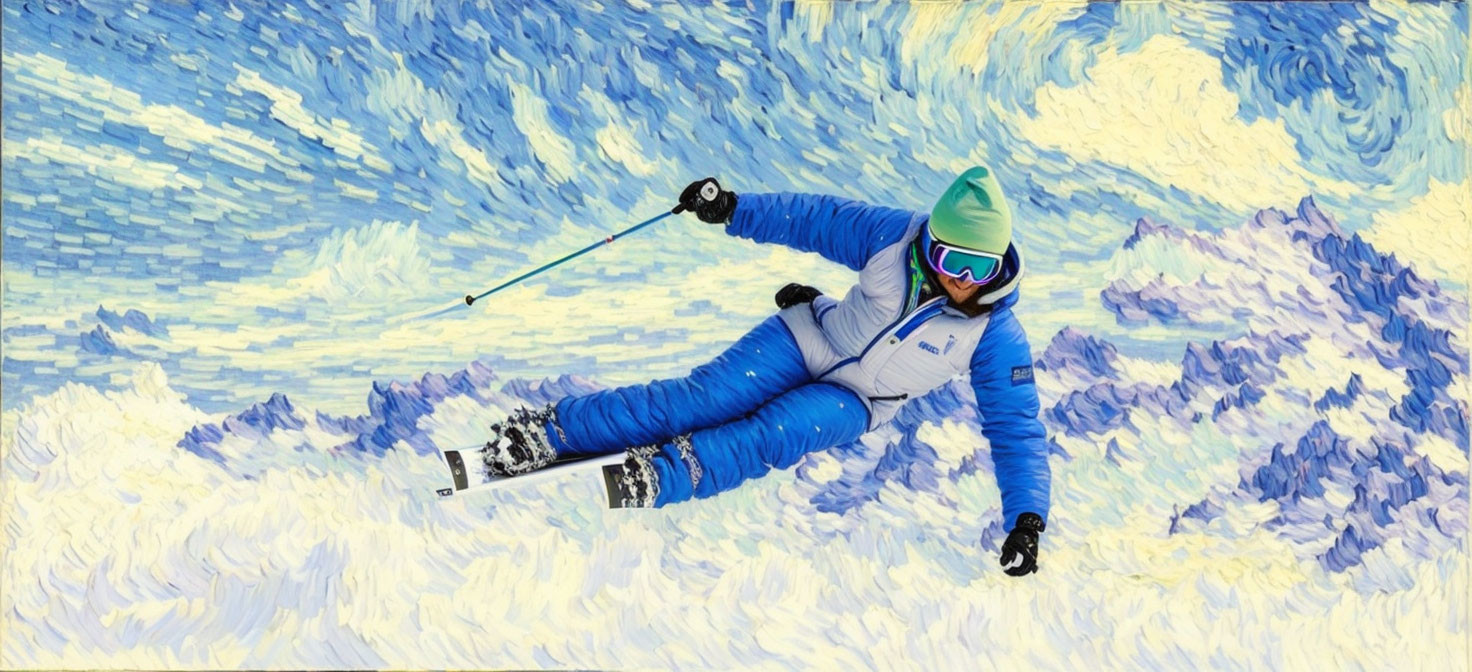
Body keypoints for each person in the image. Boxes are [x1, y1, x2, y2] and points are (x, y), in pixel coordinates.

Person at [482, 166, 1051, 577]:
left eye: (983, 266)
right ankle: (549, 431)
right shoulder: (893, 237)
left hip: (857, 400)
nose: (967, 280)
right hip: (810, 336)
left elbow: (1016, 426)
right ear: (932, 243)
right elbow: (814, 219)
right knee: (696, 400)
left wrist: (1027, 519)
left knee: (773, 434)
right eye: (956, 261)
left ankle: (662, 475)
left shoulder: (995, 333)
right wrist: (732, 208)